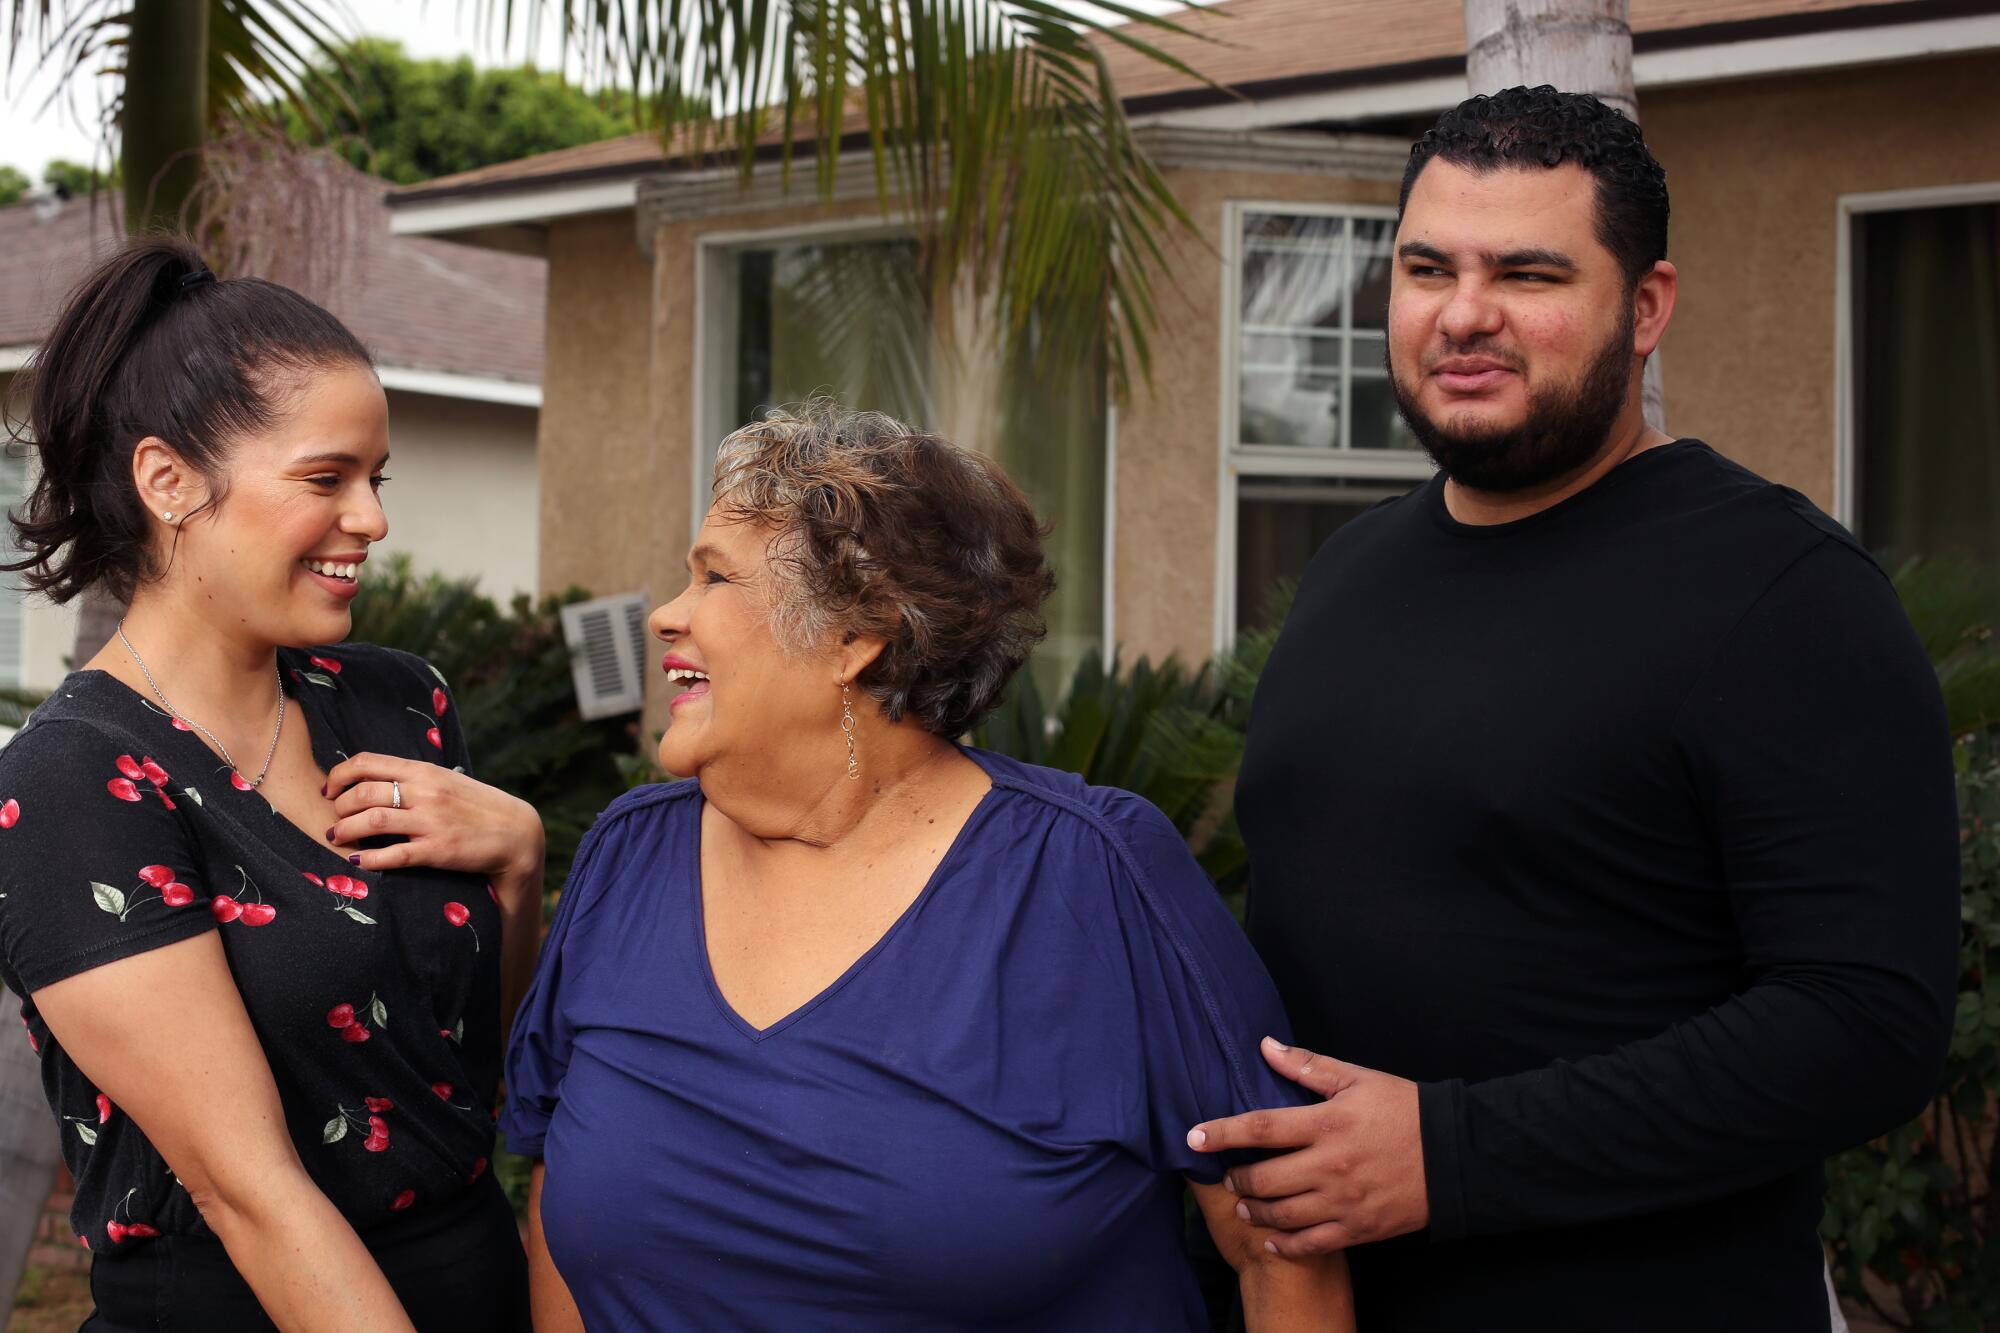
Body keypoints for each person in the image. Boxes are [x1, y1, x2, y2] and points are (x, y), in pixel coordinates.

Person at [1187, 86, 1960, 1330]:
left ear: (1644, 306)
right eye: (1425, 266)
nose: (1463, 314)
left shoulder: (1779, 593)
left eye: (1527, 273)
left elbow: (1865, 1023)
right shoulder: (1348, 573)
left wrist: (1449, 1152)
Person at [503, 403, 1353, 1331]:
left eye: (714, 577)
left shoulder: (1093, 874)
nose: (667, 613)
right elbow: (554, 1196)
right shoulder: (631, 852)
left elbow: (1282, 1242)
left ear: (854, 637)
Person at [0, 237, 543, 1331]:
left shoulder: (397, 703)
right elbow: (246, 1189)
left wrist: (521, 868)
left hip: (476, 1275)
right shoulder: (72, 782)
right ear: (169, 482)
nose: (372, 521)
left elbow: (477, 1068)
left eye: (375, 480)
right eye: (325, 478)